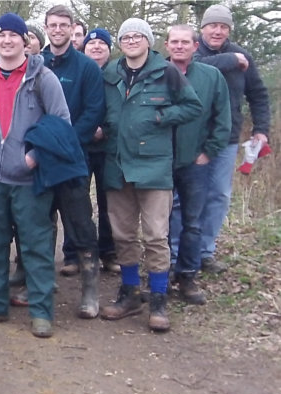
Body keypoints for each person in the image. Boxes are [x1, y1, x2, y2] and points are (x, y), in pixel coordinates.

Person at [0, 13, 70, 338]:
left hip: (29, 180)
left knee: (35, 245)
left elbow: (62, 123)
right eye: (2, 35)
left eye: (14, 35)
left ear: (25, 41)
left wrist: (35, 158)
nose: (7, 40)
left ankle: (41, 311)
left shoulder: (43, 78)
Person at [98, 18, 202, 332]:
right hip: (117, 164)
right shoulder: (110, 73)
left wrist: (161, 116)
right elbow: (100, 108)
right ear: (120, 43)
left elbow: (192, 107)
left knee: (156, 236)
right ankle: (129, 293)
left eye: (137, 36)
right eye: (125, 36)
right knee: (123, 235)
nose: (131, 40)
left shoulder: (166, 71)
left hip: (154, 166)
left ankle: (158, 299)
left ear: (147, 41)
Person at [194, 4, 272, 274]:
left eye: (223, 26)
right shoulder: (191, 48)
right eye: (213, 25)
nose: (217, 31)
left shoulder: (243, 56)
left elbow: (259, 94)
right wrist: (230, 60)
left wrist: (261, 129)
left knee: (219, 195)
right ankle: (180, 251)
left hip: (227, 139)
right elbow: (190, 67)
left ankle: (205, 251)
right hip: (191, 139)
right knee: (187, 196)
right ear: (203, 27)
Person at [40, 4, 106, 318]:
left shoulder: (87, 68)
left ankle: (90, 290)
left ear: (72, 28)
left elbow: (94, 112)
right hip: (39, 160)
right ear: (46, 27)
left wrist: (64, 142)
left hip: (72, 159)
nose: (57, 29)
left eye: (63, 24)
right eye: (52, 24)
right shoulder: (35, 63)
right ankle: (39, 284)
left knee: (80, 223)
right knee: (38, 223)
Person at [166, 24, 230, 304]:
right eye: (174, 42)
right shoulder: (157, 74)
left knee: (192, 221)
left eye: (185, 42)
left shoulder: (211, 76)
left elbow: (223, 118)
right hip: (160, 162)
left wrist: (209, 152)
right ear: (166, 46)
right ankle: (161, 273)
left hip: (195, 162)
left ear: (195, 46)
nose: (179, 46)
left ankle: (187, 276)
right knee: (160, 222)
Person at [80, 28, 119, 274]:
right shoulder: (81, 70)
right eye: (91, 44)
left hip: (108, 147)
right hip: (82, 145)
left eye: (101, 44)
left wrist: (105, 129)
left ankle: (109, 251)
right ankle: (77, 252)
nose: (96, 47)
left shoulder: (117, 72)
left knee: (110, 203)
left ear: (108, 48)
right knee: (78, 202)